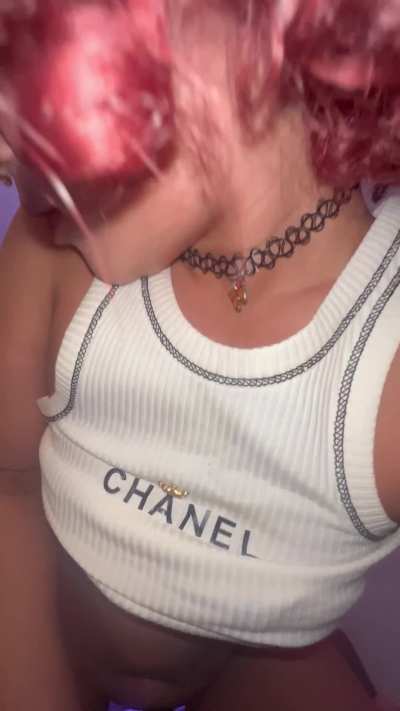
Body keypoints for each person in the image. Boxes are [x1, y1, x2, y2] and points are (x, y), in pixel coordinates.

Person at [1, 1, 400, 710]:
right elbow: (7, 479)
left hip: (252, 658)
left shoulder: (383, 359)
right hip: (56, 614)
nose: (6, 166)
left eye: (27, 61)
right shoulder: (55, 249)